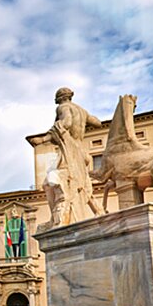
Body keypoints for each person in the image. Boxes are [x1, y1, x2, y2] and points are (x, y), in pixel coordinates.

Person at [39, 87, 105, 227]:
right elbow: (98, 122)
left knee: (50, 183)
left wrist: (47, 136)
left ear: (59, 98)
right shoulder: (82, 110)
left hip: (71, 152)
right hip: (82, 153)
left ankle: (57, 219)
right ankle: (99, 212)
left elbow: (67, 122)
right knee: (82, 185)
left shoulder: (63, 107)